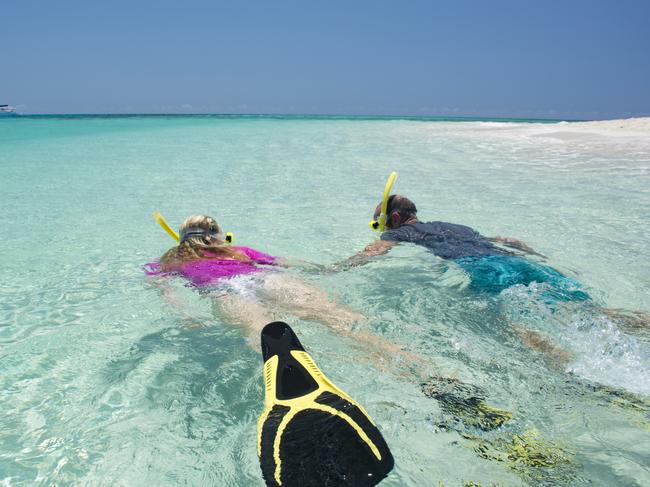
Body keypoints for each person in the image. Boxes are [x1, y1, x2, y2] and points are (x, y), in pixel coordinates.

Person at [146, 214, 363, 342]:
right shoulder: (238, 250)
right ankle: (387, 354)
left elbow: (161, 287)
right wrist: (322, 269)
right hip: (265, 279)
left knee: (268, 341)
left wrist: (185, 315)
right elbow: (284, 261)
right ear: (217, 235)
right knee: (336, 317)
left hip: (225, 292)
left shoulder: (170, 259)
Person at [338, 194, 589, 302]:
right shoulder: (455, 226)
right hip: (513, 259)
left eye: (378, 224)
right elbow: (508, 240)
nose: (381, 229)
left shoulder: (400, 231)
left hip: (482, 269)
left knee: (514, 325)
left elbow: (374, 251)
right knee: (579, 302)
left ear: (393, 219)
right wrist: (542, 258)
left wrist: (335, 269)